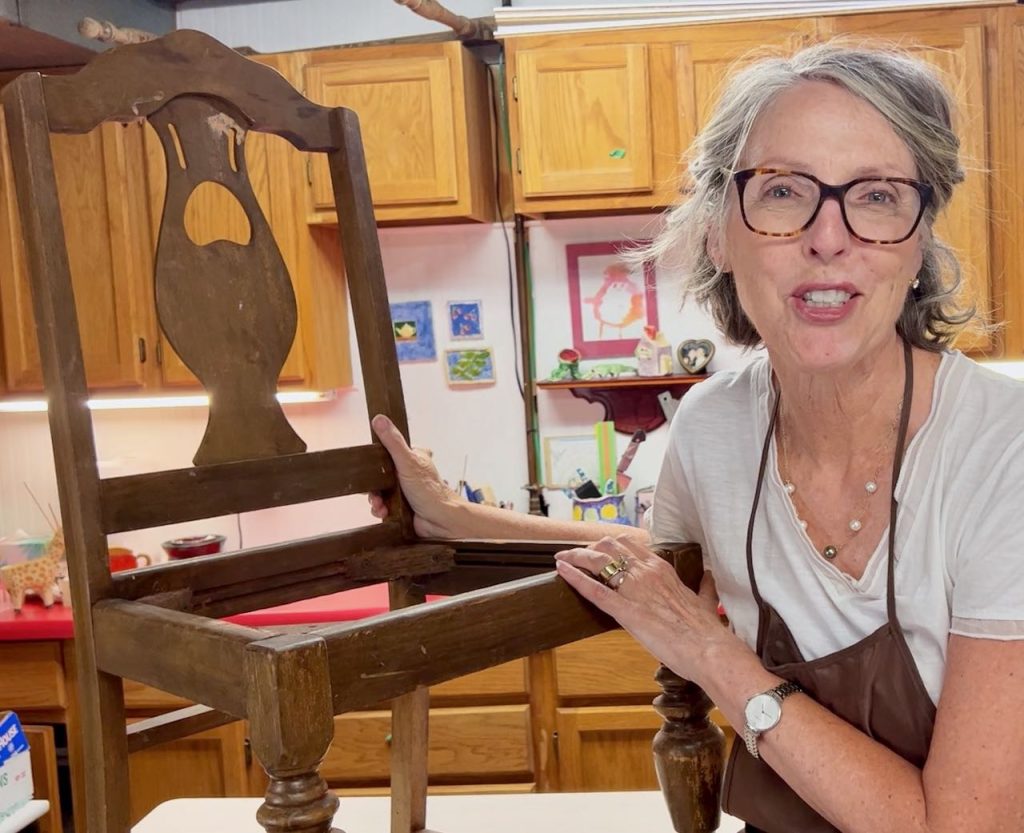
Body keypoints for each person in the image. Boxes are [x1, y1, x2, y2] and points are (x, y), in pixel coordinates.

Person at [368, 41, 1024, 833]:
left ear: (918, 241)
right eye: (784, 191)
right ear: (720, 233)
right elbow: (657, 561)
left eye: (878, 196)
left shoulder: (1000, 451)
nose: (828, 237)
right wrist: (461, 520)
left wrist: (712, 656)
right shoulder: (713, 425)